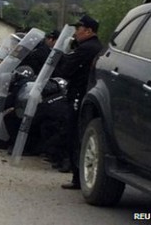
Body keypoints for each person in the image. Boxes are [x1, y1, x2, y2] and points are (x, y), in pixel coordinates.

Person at [55, 15, 103, 190]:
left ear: (89, 31)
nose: (75, 33)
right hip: (88, 96)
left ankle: (77, 177)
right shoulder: (97, 47)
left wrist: (64, 56)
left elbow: (66, 70)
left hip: (78, 95)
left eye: (79, 29)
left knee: (74, 135)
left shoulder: (85, 49)